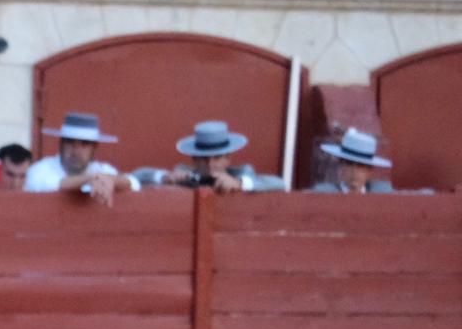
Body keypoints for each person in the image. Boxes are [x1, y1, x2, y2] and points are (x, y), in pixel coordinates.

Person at [133, 120, 284, 193]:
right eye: (204, 158)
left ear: (227, 159)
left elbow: (279, 184)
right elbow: (139, 175)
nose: (210, 164)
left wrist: (239, 184)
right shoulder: (189, 176)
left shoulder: (239, 175)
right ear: (194, 160)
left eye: (217, 157)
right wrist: (163, 177)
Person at [23, 111, 138, 206]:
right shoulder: (41, 168)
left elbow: (134, 183)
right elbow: (45, 184)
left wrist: (113, 180)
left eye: (84, 144)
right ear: (61, 144)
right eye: (70, 143)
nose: (76, 151)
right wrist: (90, 179)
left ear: (94, 148)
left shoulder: (102, 170)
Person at [312, 129, 395, 194]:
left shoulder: (382, 193)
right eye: (349, 164)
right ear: (340, 167)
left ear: (369, 171)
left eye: (360, 166)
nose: (354, 172)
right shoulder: (324, 193)